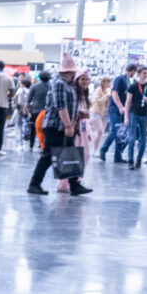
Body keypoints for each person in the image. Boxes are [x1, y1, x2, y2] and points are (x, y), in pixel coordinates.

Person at [27, 53, 92, 197]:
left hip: (61, 125)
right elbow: (61, 106)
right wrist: (68, 125)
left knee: (70, 154)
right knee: (49, 156)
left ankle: (74, 185)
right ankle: (34, 184)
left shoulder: (65, 85)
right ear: (68, 72)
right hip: (56, 126)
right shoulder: (60, 84)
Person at [99, 62, 137, 163]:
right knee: (115, 131)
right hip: (115, 110)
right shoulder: (120, 79)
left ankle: (118, 156)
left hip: (122, 110)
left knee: (122, 134)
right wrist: (120, 106)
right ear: (132, 71)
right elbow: (114, 93)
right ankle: (103, 149)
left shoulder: (127, 80)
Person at [124, 64, 147, 170]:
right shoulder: (133, 86)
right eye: (143, 73)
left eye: (146, 73)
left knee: (143, 139)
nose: (145, 75)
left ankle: (138, 159)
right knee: (132, 138)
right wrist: (126, 117)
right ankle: (130, 160)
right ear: (139, 74)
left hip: (143, 115)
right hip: (133, 114)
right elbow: (128, 102)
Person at [26, 70, 50, 150]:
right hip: (47, 111)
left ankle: (31, 145)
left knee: (33, 128)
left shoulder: (34, 86)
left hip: (35, 110)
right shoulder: (52, 86)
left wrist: (27, 107)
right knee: (45, 129)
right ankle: (42, 145)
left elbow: (29, 99)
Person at [89, 76, 111, 154]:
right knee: (100, 131)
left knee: (100, 133)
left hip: (104, 114)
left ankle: (96, 149)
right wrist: (107, 95)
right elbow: (99, 102)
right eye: (105, 81)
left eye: (108, 81)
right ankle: (94, 150)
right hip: (96, 112)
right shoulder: (98, 91)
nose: (107, 83)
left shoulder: (109, 90)